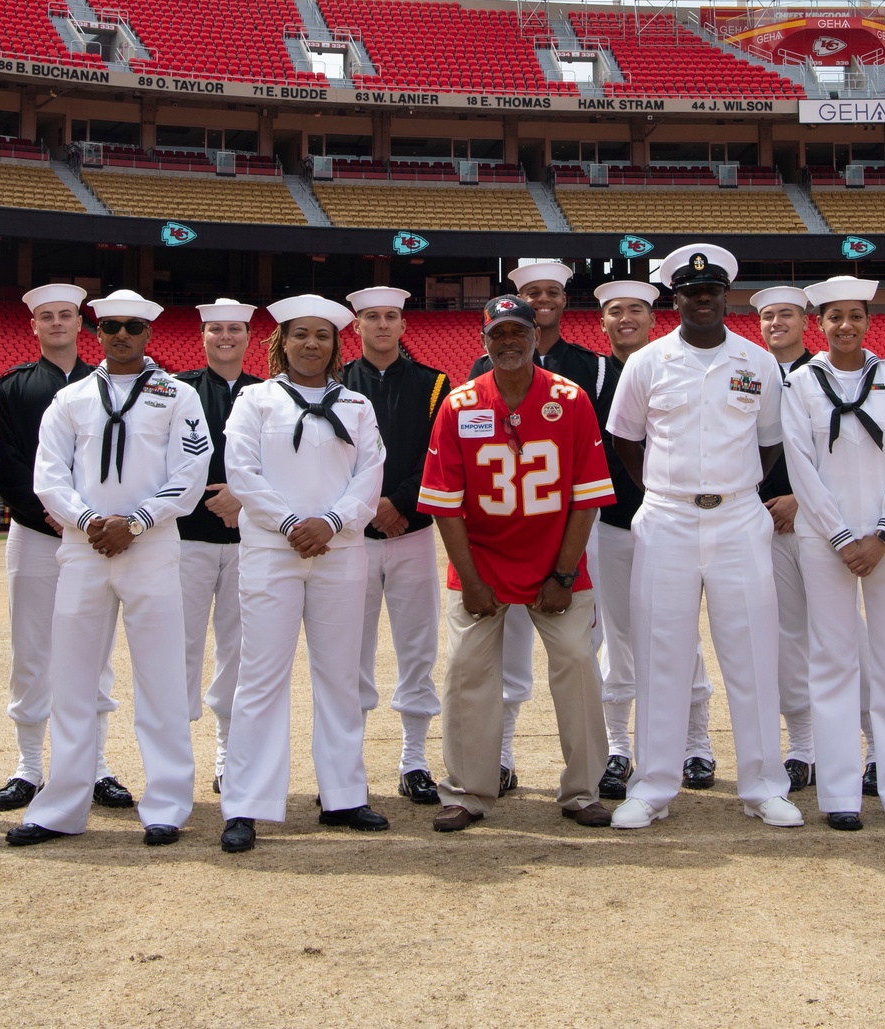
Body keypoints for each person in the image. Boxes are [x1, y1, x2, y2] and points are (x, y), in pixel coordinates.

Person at [606, 243, 802, 830]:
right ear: (677, 299)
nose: (702, 301)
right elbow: (626, 440)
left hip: (739, 517)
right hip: (666, 517)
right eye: (691, 293)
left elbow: (770, 443)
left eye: (712, 292)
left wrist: (726, 489)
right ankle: (654, 785)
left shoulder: (757, 362)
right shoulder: (646, 362)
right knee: (660, 652)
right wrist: (669, 492)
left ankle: (764, 783)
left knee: (752, 653)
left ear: (725, 297)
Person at [6, 291, 210, 848]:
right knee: (71, 679)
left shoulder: (178, 395)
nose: (121, 334)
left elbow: (191, 472)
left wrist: (137, 522)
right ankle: (62, 807)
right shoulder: (70, 399)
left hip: (152, 549)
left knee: (162, 679)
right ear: (95, 331)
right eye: (111, 326)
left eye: (133, 326)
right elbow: (49, 476)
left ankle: (166, 803)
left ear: (149, 333)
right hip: (84, 547)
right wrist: (93, 520)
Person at [417, 294, 615, 831]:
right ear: (483, 341)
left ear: (535, 338)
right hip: (480, 564)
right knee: (465, 671)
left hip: (555, 562)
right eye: (498, 334)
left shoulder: (570, 399)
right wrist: (473, 581)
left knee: (576, 663)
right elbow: (445, 504)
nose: (508, 342)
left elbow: (586, 496)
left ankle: (581, 790)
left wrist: (564, 574)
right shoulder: (459, 406)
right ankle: (467, 792)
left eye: (518, 333)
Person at [217, 295, 388, 853]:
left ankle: (343, 794)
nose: (311, 343)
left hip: (341, 552)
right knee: (261, 677)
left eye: (322, 335)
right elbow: (241, 470)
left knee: (340, 675)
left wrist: (331, 523)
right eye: (300, 334)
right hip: (272, 551)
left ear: (337, 344)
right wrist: (293, 523)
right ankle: (247, 803)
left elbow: (370, 474)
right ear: (281, 342)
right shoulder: (254, 400)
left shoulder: (358, 405)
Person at [779, 276, 885, 831]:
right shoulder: (799, 384)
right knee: (833, 663)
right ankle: (839, 792)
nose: (846, 325)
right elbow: (803, 470)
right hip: (826, 542)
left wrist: (882, 533)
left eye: (856, 316)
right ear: (820, 324)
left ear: (869, 321)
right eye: (835, 316)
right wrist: (843, 537)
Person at [0, 283, 133, 815]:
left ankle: (94, 767)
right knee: (31, 650)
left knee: (95, 655)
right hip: (35, 533)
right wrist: (47, 511)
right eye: (45, 316)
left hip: (97, 538)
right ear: (33, 326)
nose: (55, 323)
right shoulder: (14, 387)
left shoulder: (115, 386)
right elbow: (4, 461)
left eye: (65, 315)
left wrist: (88, 519)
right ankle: (28, 766)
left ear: (81, 324)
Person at [468, 260, 605, 794]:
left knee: (579, 659)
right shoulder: (475, 383)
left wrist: (566, 567)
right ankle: (488, 768)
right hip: (497, 545)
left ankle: (590, 779)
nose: (542, 300)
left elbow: (593, 468)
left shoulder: (582, 374)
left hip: (567, 537)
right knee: (491, 666)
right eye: (532, 293)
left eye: (551, 293)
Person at [591, 277, 714, 799]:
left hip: (677, 526)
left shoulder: (678, 363)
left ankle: (696, 744)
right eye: (616, 310)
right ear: (602, 321)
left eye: (637, 309)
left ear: (654, 316)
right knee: (618, 638)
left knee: (683, 636)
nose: (626, 319)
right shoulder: (588, 372)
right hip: (614, 524)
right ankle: (618, 746)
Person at [342, 285, 450, 806]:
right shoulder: (333, 384)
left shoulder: (435, 384)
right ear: (356, 326)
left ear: (404, 326)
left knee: (416, 649)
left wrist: (400, 503)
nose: (382, 325)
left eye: (391, 317)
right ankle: (348, 765)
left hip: (411, 533)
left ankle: (414, 759)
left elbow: (438, 454)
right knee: (348, 653)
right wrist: (370, 508)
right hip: (350, 539)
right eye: (372, 317)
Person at [172, 298, 261, 793]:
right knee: (179, 647)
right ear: (202, 336)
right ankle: (177, 755)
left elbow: (278, 463)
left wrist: (241, 497)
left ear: (248, 337)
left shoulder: (268, 393)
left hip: (249, 540)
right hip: (187, 540)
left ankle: (228, 753)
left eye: (234, 329)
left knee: (239, 650)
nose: (224, 336)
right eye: (214, 329)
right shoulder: (177, 390)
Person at [751, 284, 819, 792]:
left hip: (820, 525)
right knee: (787, 643)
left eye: (786, 315)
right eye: (768, 316)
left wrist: (801, 498)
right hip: (764, 527)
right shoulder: (749, 374)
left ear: (805, 321)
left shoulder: (827, 373)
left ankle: (875, 747)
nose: (776, 323)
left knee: (845, 640)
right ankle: (802, 748)